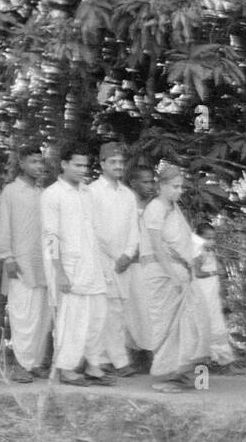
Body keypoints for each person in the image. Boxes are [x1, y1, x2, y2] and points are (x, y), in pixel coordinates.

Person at [40, 141, 112, 386]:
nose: (82, 169)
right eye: (77, 164)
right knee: (72, 318)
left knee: (97, 316)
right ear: (64, 164)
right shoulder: (52, 195)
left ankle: (93, 365)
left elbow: (95, 231)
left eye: (85, 165)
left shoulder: (88, 192)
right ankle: (66, 368)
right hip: (67, 266)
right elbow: (50, 236)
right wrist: (59, 271)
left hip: (92, 264)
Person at [139, 164, 211, 391]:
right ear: (162, 185)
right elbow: (157, 246)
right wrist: (173, 276)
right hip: (165, 276)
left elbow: (182, 240)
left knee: (194, 323)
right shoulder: (155, 208)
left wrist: (194, 258)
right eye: (175, 187)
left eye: (181, 187)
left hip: (182, 273)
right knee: (168, 326)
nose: (179, 191)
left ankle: (187, 375)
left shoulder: (174, 208)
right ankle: (169, 376)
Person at [87, 141, 143, 376]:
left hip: (123, 263)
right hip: (100, 260)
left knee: (118, 311)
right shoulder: (91, 192)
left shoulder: (128, 195)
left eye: (121, 162)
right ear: (102, 164)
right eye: (113, 162)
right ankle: (103, 360)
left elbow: (134, 229)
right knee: (101, 310)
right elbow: (93, 229)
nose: (119, 166)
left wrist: (128, 255)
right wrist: (113, 257)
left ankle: (114, 359)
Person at [0, 145, 51, 378]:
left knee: (41, 316)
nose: (38, 166)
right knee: (22, 315)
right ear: (21, 163)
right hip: (19, 263)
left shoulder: (43, 193)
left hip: (43, 264)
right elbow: (3, 226)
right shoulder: (10, 192)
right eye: (33, 162)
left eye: (40, 161)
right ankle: (19, 364)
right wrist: (7, 257)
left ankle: (34, 363)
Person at [126, 160, 157, 370]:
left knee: (149, 312)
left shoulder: (156, 205)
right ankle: (134, 355)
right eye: (145, 182)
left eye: (152, 182)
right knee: (131, 313)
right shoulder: (126, 205)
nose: (151, 186)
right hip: (130, 264)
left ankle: (152, 354)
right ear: (134, 183)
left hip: (151, 266)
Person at [191, 220, 235, 365]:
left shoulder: (207, 250)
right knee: (205, 320)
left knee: (215, 320)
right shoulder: (197, 250)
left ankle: (216, 357)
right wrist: (215, 272)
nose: (212, 241)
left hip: (211, 292)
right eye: (208, 238)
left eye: (213, 238)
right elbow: (197, 273)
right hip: (202, 291)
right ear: (199, 237)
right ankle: (203, 358)